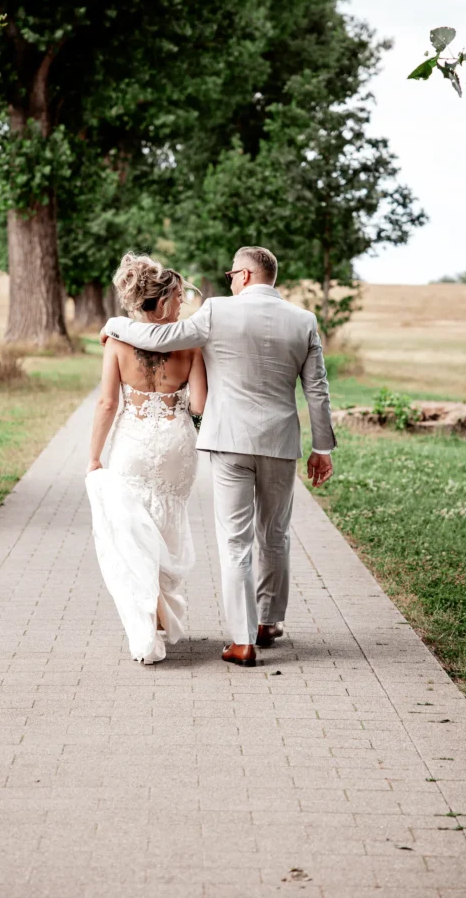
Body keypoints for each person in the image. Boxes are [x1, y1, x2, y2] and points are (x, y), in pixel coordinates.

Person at [102, 245, 336, 668]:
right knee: (276, 533)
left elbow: (158, 336)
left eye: (231, 273)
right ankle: (269, 622)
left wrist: (115, 323)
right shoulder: (304, 321)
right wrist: (322, 448)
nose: (228, 279)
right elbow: (317, 389)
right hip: (281, 442)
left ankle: (243, 640)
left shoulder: (216, 312)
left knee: (234, 541)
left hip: (229, 442)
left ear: (245, 276)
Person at [86, 253, 207, 665]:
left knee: (131, 534)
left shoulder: (117, 341)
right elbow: (200, 405)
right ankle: (158, 619)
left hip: (132, 445)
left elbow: (106, 404)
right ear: (166, 298)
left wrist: (93, 457)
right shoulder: (190, 344)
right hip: (176, 445)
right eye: (178, 296)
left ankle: (146, 630)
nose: (182, 304)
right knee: (166, 525)